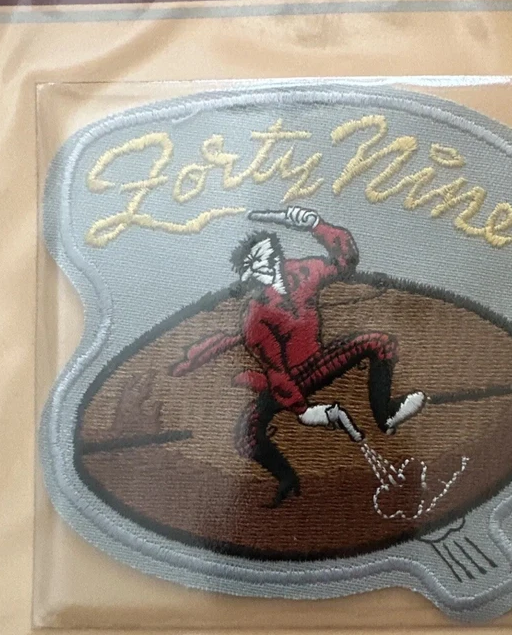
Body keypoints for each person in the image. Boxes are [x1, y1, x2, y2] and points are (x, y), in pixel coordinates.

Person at [171, 207, 426, 506]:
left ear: (275, 253)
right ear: (248, 273)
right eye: (254, 263)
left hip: (319, 362)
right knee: (246, 434)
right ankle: (287, 480)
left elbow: (345, 262)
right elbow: (276, 370)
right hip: (290, 381)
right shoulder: (256, 313)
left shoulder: (302, 272)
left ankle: (387, 415)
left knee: (380, 344)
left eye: (265, 255)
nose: (264, 264)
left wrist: (316, 225)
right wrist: (304, 411)